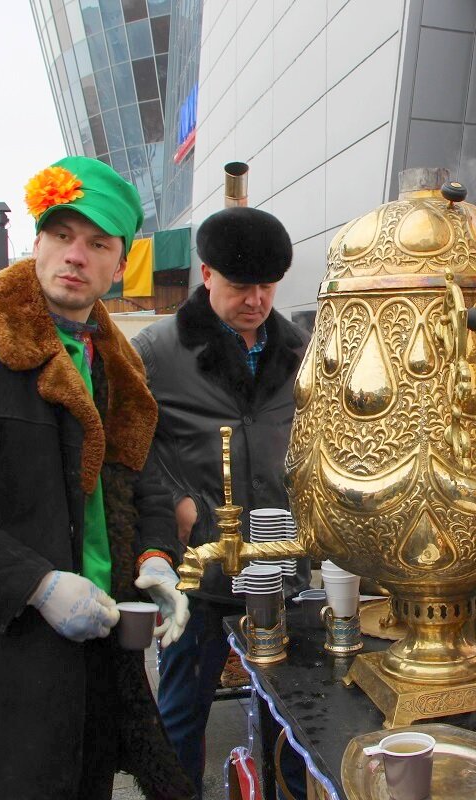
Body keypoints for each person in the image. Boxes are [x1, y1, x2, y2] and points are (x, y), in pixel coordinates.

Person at [0, 156, 193, 800]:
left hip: (91, 670)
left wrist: (157, 557)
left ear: (117, 263)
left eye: (97, 243)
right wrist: (38, 585)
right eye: (62, 235)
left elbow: (137, 476)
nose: (76, 255)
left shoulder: (114, 363)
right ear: (37, 243)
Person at [132, 205, 308, 794]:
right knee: (182, 709)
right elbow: (132, 449)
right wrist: (179, 507)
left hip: (283, 561)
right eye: (239, 286)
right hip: (199, 569)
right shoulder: (157, 351)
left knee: (294, 706)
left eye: (266, 286)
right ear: (205, 275)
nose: (255, 299)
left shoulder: (299, 348)